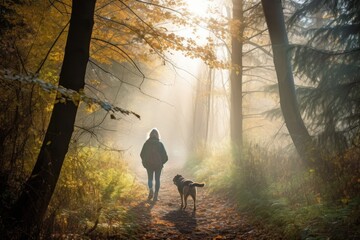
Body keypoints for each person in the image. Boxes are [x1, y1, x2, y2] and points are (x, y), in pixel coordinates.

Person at [140, 128, 168, 201]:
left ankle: (150, 191)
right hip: (158, 165)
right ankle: (155, 196)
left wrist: (145, 163)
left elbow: (142, 154)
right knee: (157, 180)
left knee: (150, 179)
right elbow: (165, 157)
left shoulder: (146, 144)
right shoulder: (160, 144)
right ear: (158, 135)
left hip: (149, 165)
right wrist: (161, 163)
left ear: (150, 135)